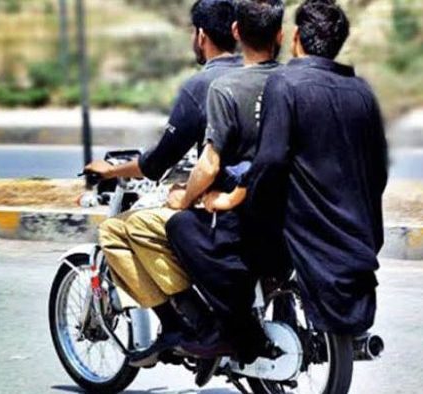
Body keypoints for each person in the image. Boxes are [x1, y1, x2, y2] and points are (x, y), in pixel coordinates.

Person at [209, 0, 389, 337]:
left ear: (296, 40)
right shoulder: (362, 91)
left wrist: (237, 199)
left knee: (204, 236)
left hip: (300, 226)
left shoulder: (286, 84)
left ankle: (227, 333)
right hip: (356, 229)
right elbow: (378, 169)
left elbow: (271, 160)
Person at [83, 0, 242, 368]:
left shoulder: (201, 86)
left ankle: (183, 325)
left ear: (201, 36)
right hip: (264, 201)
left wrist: (110, 170)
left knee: (117, 231)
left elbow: (158, 161)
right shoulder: (263, 73)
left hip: (221, 210)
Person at [164, 0, 286, 377]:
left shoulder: (225, 87)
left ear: (236, 32)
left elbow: (210, 163)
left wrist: (185, 198)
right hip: (290, 209)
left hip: (244, 215)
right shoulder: (291, 80)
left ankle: (228, 328)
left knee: (179, 226)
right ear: (281, 35)